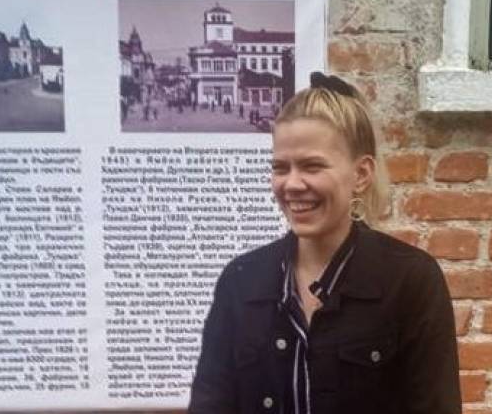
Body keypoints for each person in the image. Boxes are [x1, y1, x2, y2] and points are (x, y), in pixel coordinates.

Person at [189, 72, 461, 414]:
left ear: (361, 174)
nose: (291, 184)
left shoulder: (409, 281)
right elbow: (210, 402)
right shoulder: (241, 280)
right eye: (280, 168)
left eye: (312, 166)